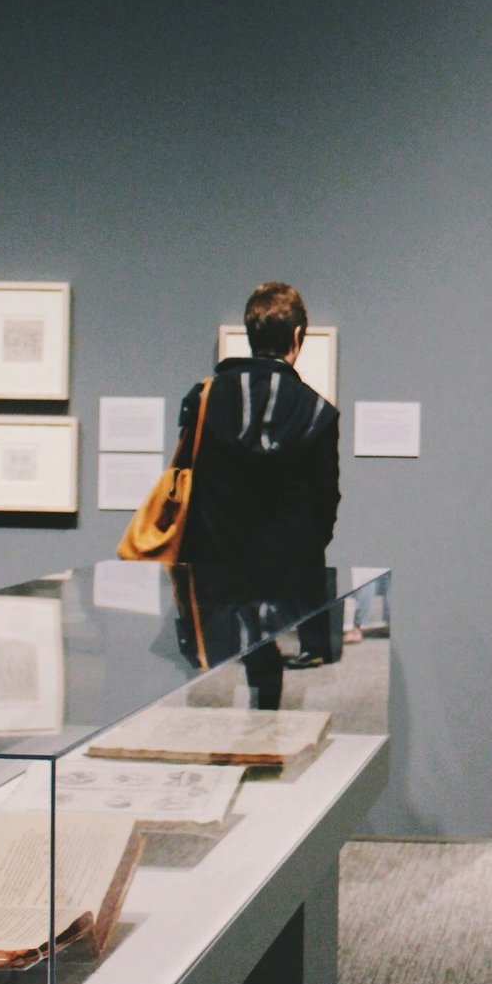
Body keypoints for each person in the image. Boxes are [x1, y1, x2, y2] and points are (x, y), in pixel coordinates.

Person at [179, 283, 342, 685]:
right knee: (271, 682)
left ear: (251, 334)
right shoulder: (318, 412)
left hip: (214, 568)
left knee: (211, 682)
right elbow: (326, 504)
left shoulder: (204, 398)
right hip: (288, 571)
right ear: (297, 336)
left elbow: (189, 483)